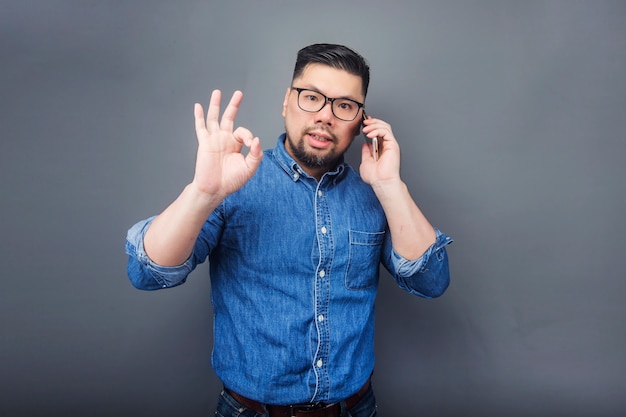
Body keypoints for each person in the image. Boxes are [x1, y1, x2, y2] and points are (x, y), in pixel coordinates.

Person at [125, 43, 452, 417]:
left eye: (344, 105)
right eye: (312, 97)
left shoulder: (375, 193)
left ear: (361, 120)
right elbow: (146, 273)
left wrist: (391, 186)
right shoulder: (233, 182)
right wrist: (202, 193)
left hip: (355, 408)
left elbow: (432, 281)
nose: (326, 116)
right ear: (286, 102)